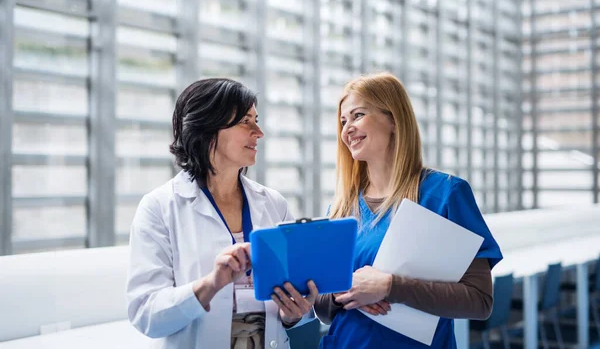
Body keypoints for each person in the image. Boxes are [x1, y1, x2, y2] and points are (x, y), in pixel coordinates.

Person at [314, 72, 503, 349]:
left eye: (358, 115)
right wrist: (348, 291)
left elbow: (479, 301)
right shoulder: (342, 208)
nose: (347, 130)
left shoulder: (444, 194)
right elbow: (323, 308)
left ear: (393, 119)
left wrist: (390, 287)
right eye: (343, 122)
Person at [126, 78, 318, 349]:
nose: (259, 132)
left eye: (257, 120)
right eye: (245, 121)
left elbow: (292, 302)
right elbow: (146, 314)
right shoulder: (159, 207)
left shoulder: (274, 204)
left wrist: (292, 315)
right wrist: (210, 285)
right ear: (208, 128)